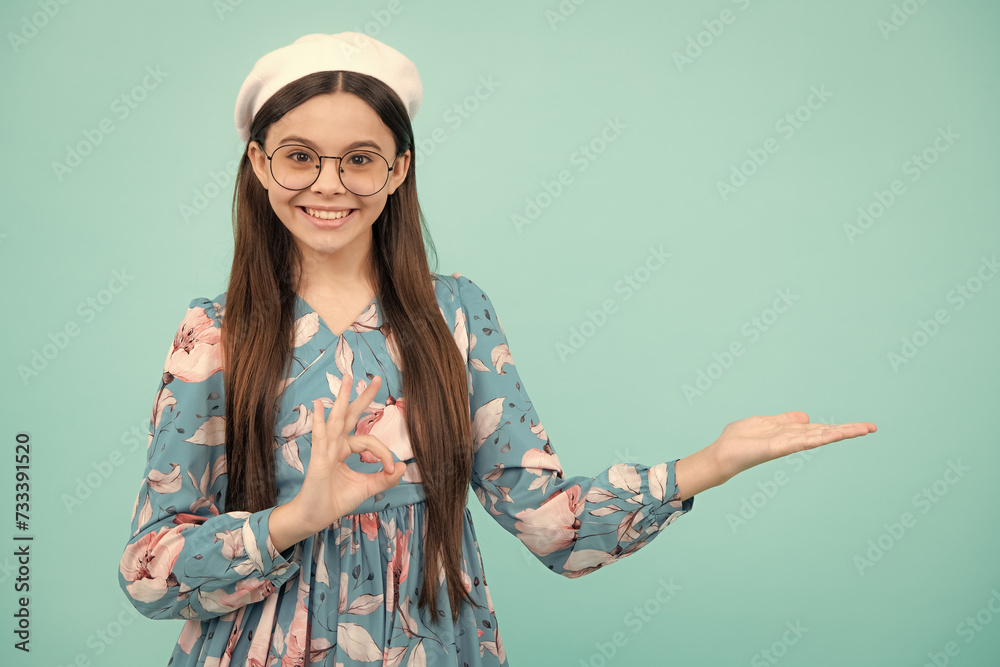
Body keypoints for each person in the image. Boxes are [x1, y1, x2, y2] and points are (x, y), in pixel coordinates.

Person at [117, 32, 877, 666]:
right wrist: (293, 518)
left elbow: (551, 525)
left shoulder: (457, 313)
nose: (329, 184)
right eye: (298, 155)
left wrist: (706, 465)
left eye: (359, 158)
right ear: (259, 163)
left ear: (398, 170)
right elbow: (148, 571)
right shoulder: (214, 333)